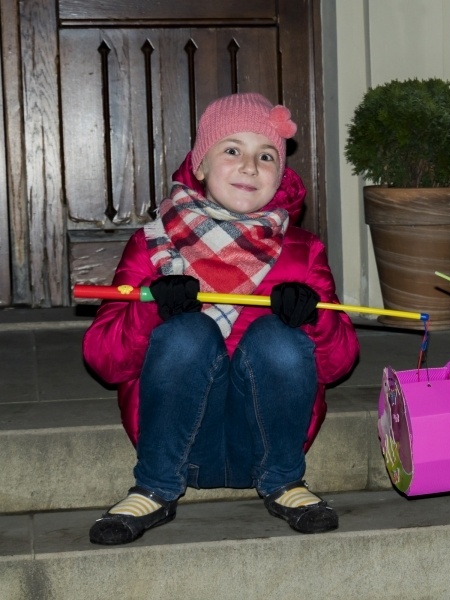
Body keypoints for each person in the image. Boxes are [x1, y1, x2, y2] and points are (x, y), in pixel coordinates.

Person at [83, 92, 359, 544]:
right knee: (188, 331)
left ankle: (285, 481)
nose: (250, 166)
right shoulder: (154, 244)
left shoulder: (304, 251)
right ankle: (154, 485)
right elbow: (103, 359)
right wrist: (151, 306)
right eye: (232, 149)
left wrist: (314, 319)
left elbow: (338, 363)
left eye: (265, 156)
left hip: (265, 442)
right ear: (200, 164)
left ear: (280, 174)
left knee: (280, 337)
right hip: (183, 444)